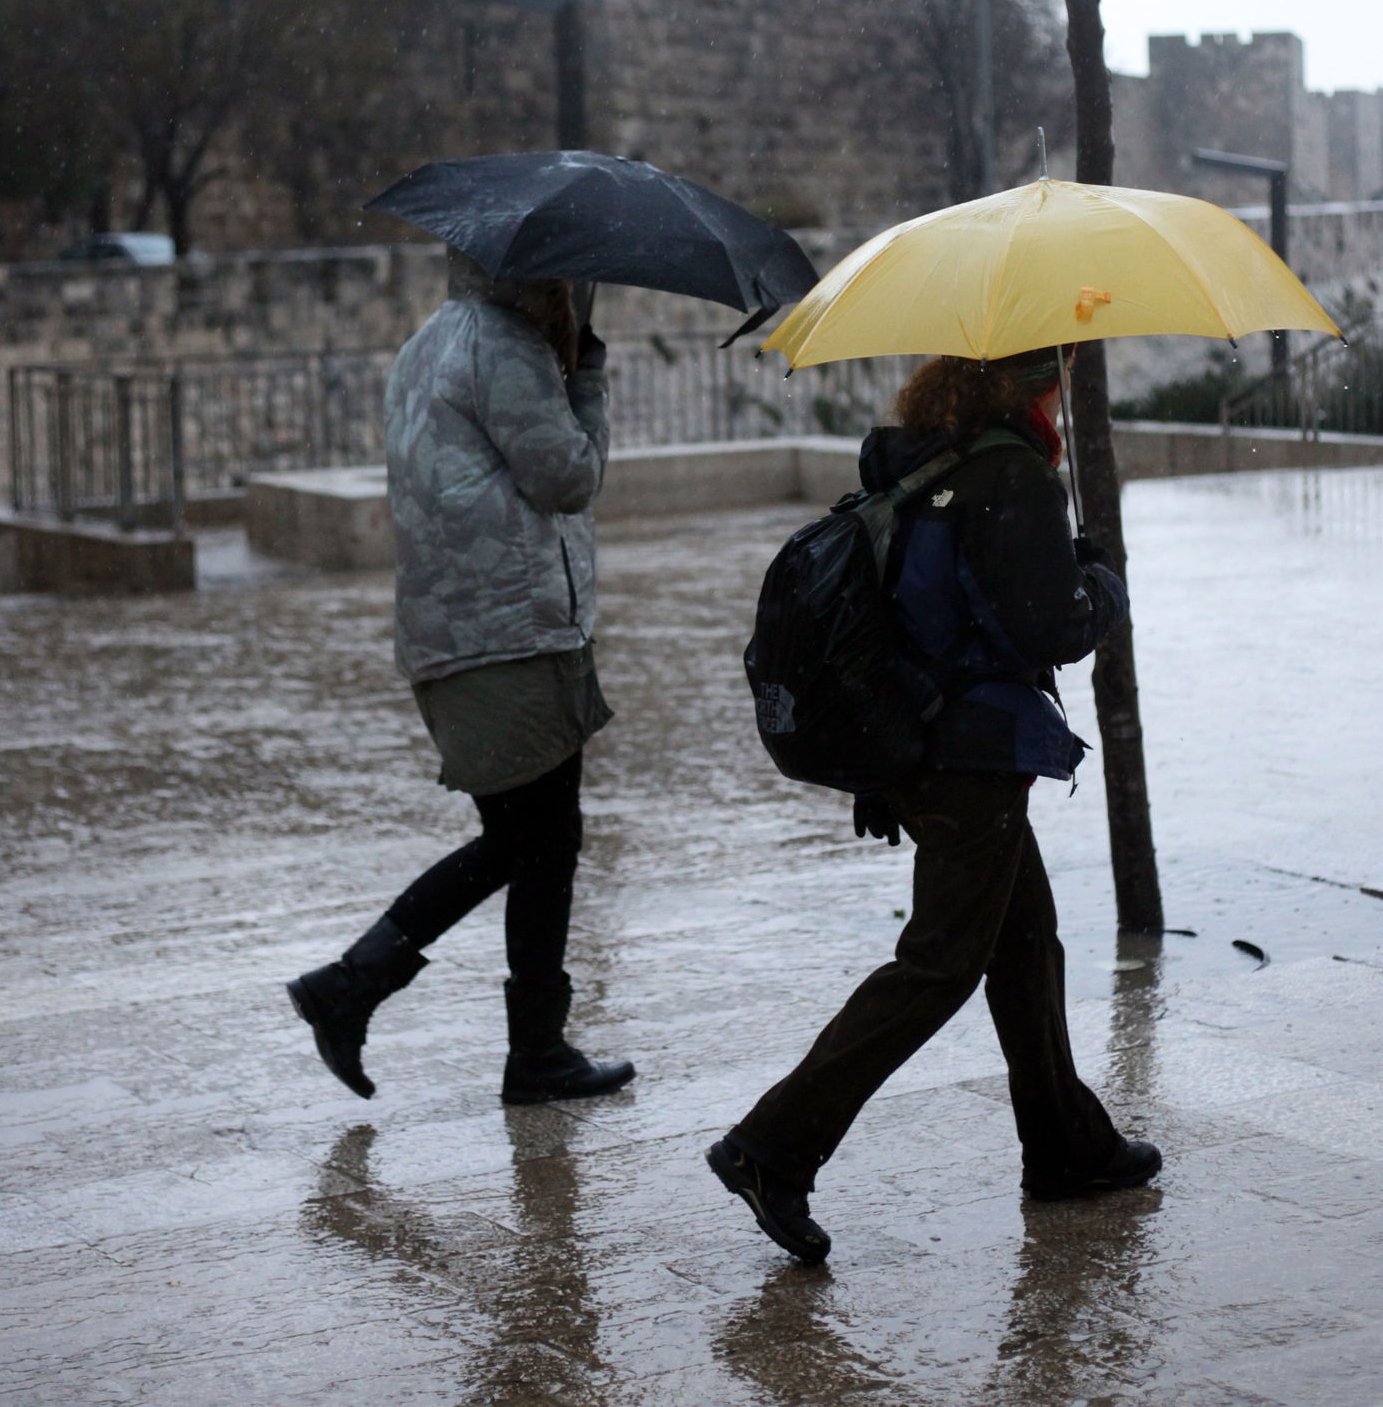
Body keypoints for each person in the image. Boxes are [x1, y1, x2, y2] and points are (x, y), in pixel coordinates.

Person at [707, 345, 1160, 1262]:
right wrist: (1101, 582)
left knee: (1026, 945)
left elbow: (903, 612)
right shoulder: (1012, 476)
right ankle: (772, 1146)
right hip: (969, 757)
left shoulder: (920, 462)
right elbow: (1050, 628)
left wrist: (882, 772)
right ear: (1039, 388)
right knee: (941, 963)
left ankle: (1067, 1146)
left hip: (920, 748)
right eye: (1058, 382)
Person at [288, 249, 634, 1106]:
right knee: (539, 843)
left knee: (527, 842)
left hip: (452, 634)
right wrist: (586, 376)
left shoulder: (428, 343)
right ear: (537, 276)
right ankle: (371, 991)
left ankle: (489, 1033)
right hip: (511, 636)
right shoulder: (507, 350)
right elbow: (570, 476)